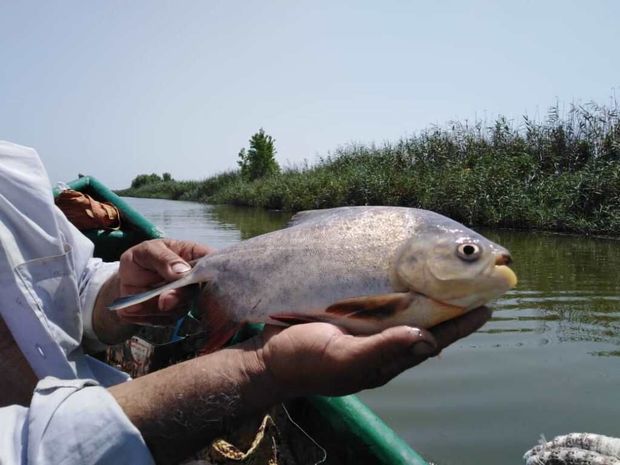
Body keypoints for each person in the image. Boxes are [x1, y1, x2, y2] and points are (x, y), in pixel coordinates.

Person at [0, 140, 492, 464]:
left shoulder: (13, 175)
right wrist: (259, 370)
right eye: (468, 254)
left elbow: (66, 292)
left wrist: (111, 294)